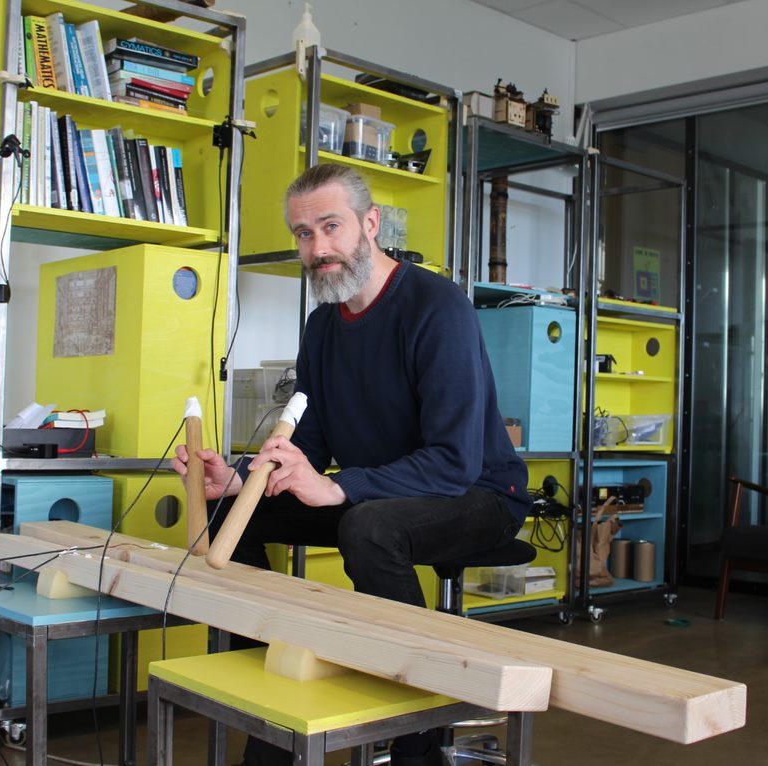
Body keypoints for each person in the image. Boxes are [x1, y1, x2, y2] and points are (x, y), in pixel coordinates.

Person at [173, 163, 531, 766]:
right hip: (377, 494)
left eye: (330, 227)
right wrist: (241, 478)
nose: (318, 248)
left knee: (367, 527)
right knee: (238, 515)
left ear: (371, 224)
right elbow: (306, 446)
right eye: (303, 234)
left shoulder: (437, 308)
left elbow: (452, 462)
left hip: (480, 496)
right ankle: (275, 690)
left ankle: (418, 743)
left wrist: (338, 489)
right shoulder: (321, 328)